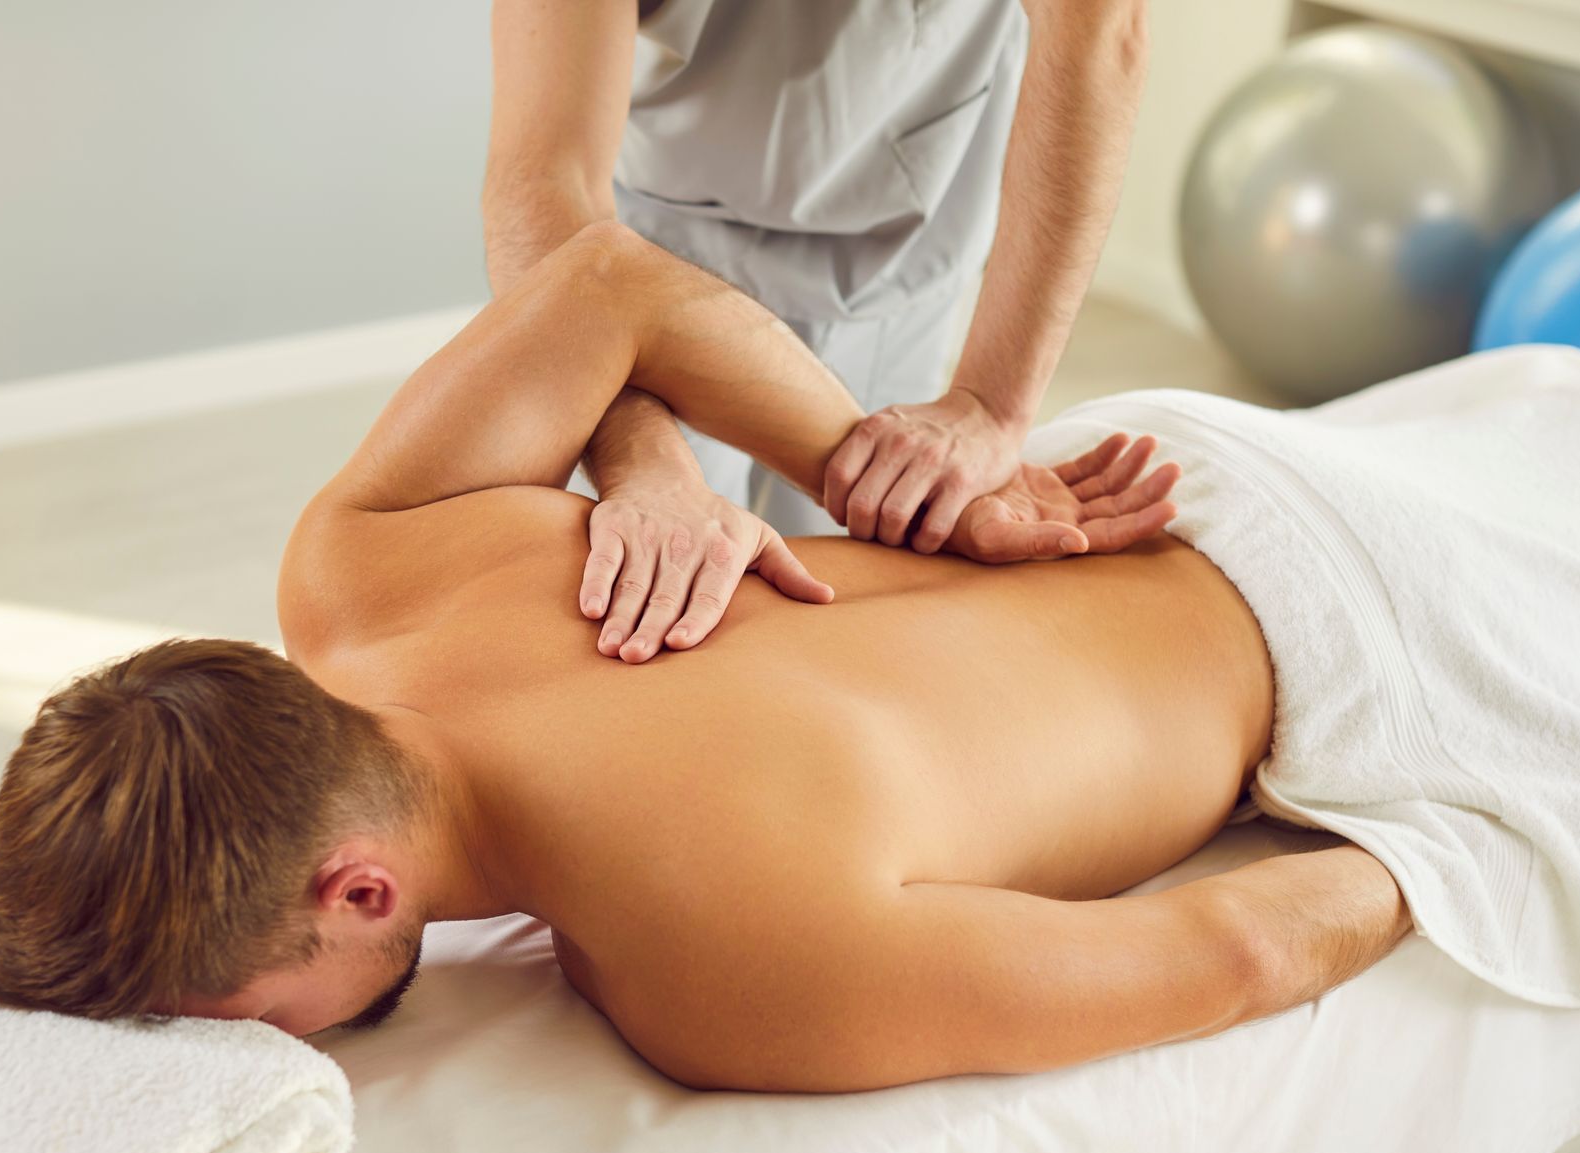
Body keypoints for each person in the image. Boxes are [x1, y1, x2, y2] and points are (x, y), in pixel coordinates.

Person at [0, 223, 1452, 1092]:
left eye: (257, 1021)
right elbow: (608, 281)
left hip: (1381, 649)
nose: (271, 1051)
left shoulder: (713, 973)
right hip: (1167, 465)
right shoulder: (360, 560)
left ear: (358, 889)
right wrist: (919, 481)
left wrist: (1450, 861)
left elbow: (1239, 950)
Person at [483, 0, 1149, 662]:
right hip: (652, 251)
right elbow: (545, 179)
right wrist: (642, 464)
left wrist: (992, 406)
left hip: (907, 232)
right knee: (646, 606)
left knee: (872, 600)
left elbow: (1101, 29)